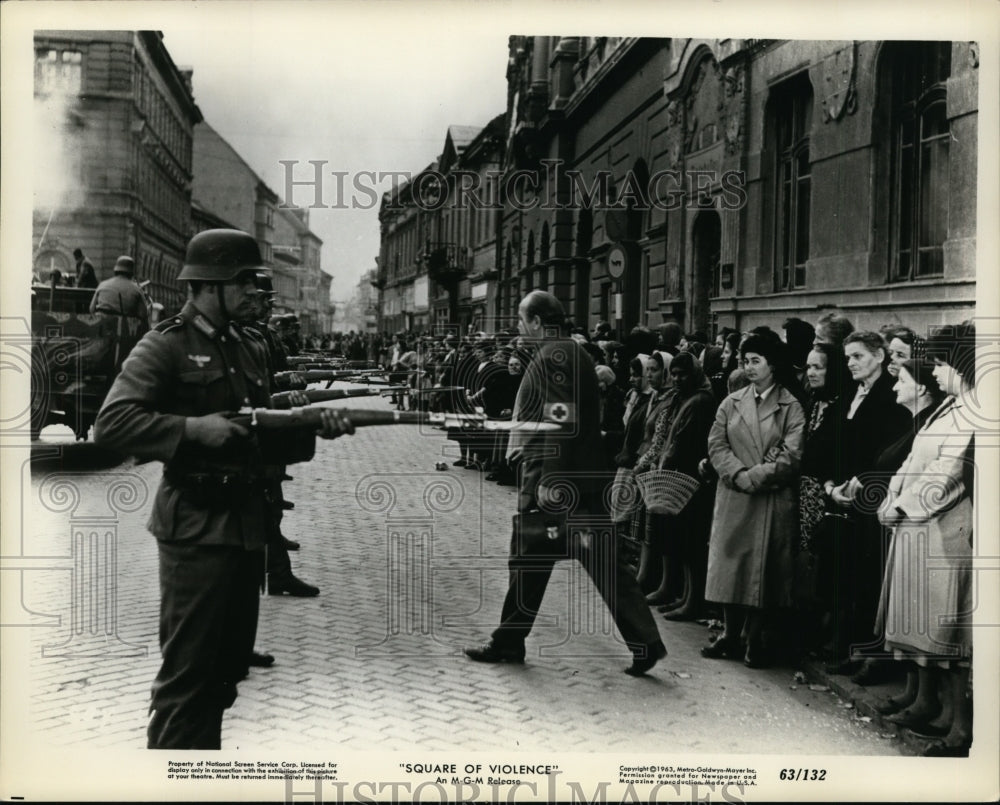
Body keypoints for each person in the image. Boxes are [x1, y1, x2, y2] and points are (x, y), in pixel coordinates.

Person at [94, 229, 354, 749]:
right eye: (243, 279)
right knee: (186, 684)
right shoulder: (164, 345)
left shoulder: (243, 344)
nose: (252, 288)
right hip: (195, 531)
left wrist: (311, 424)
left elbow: (253, 433)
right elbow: (112, 425)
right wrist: (190, 429)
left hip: (243, 530)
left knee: (225, 676)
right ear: (210, 285)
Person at [464, 291, 666, 676]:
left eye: (523, 321)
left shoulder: (553, 356)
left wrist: (550, 479)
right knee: (593, 564)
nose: (520, 329)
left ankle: (508, 641)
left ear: (539, 321)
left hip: (555, 482)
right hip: (583, 481)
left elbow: (559, 418)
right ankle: (645, 642)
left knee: (529, 559)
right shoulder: (575, 354)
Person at [878, 327, 975, 756]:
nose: (933, 371)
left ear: (959, 365)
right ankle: (927, 704)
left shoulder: (976, 413)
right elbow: (915, 458)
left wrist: (905, 506)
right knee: (922, 621)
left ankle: (959, 727)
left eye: (939, 363)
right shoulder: (952, 407)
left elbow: (950, 471)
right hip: (920, 522)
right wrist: (894, 496)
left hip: (948, 528)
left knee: (948, 630)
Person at [701, 334, 805, 669]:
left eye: (755, 360)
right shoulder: (731, 402)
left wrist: (756, 476)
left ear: (773, 364)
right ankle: (730, 635)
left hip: (769, 498)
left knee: (763, 571)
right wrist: (737, 474)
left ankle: (754, 638)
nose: (748, 367)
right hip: (734, 494)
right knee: (732, 567)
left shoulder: (791, 406)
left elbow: (792, 455)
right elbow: (716, 445)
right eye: (745, 361)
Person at [246, 273, 321, 598]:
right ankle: (276, 572)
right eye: (263, 299)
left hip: (263, 429)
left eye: (267, 300)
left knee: (267, 504)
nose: (267, 305)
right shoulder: (246, 336)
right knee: (262, 506)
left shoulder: (254, 335)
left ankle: (276, 571)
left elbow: (266, 379)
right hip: (247, 436)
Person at [89, 255, 150, 326]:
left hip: (101, 327)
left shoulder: (102, 285)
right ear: (131, 272)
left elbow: (91, 309)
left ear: (116, 270)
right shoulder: (136, 289)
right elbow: (143, 314)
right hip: (124, 330)